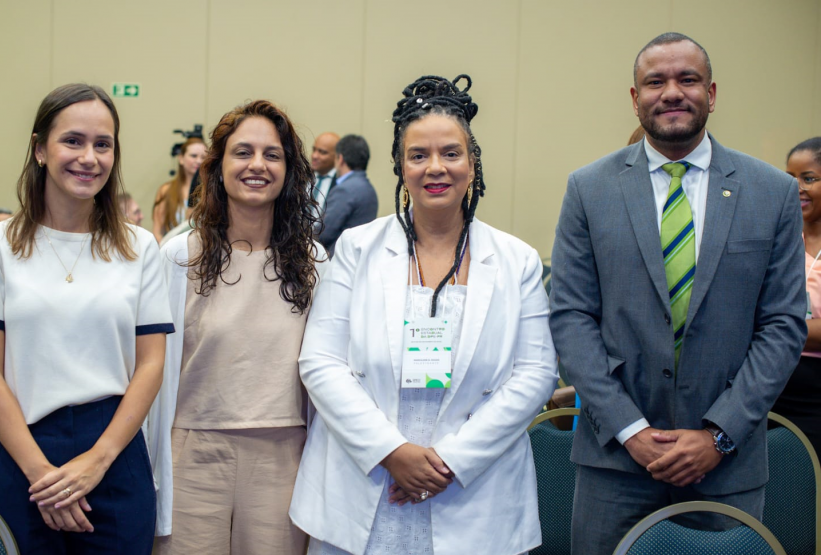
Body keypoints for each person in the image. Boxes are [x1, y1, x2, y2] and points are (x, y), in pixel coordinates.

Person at [549, 33, 806, 555]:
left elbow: (783, 325)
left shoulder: (772, 192)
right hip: (614, 463)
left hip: (726, 466)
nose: (671, 92)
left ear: (711, 93)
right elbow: (571, 317)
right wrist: (630, 430)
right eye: (655, 82)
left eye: (687, 79)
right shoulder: (588, 189)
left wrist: (719, 436)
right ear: (635, 97)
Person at [291, 74, 559, 555]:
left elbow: (536, 374)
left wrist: (449, 462)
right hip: (365, 482)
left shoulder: (516, 260)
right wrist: (392, 452)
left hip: (475, 491)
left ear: (472, 164)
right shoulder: (357, 248)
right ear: (401, 166)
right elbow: (321, 362)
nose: (436, 167)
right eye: (418, 155)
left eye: (451, 153)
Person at [0, 83, 173, 554]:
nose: (88, 158)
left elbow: (151, 364)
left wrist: (97, 461)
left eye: (103, 144)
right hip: (19, 452)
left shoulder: (139, 247)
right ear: (39, 149)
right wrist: (42, 477)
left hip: (113, 452)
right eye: (73, 141)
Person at [150, 99, 323, 555]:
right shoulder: (179, 257)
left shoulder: (314, 263)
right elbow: (153, 369)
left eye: (272, 154)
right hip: (191, 453)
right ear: (218, 166)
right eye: (243, 152)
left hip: (284, 456)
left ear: (289, 170)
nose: (257, 165)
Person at [772, 136, 821, 454]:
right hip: (772, 384)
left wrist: (774, 328)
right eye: (790, 178)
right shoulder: (780, 238)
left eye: (809, 178)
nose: (797, 188)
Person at [318, 134, 379, 255]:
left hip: (338, 258)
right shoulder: (370, 190)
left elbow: (324, 233)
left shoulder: (344, 190)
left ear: (340, 159)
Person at [153, 136, 206, 242]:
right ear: (181, 158)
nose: (199, 161)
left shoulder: (211, 191)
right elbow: (157, 232)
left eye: (203, 157)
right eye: (193, 156)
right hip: (171, 247)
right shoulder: (167, 190)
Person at [310, 132, 339, 209]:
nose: (314, 156)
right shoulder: (302, 177)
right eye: (314, 150)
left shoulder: (341, 183)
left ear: (336, 156)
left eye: (322, 152)